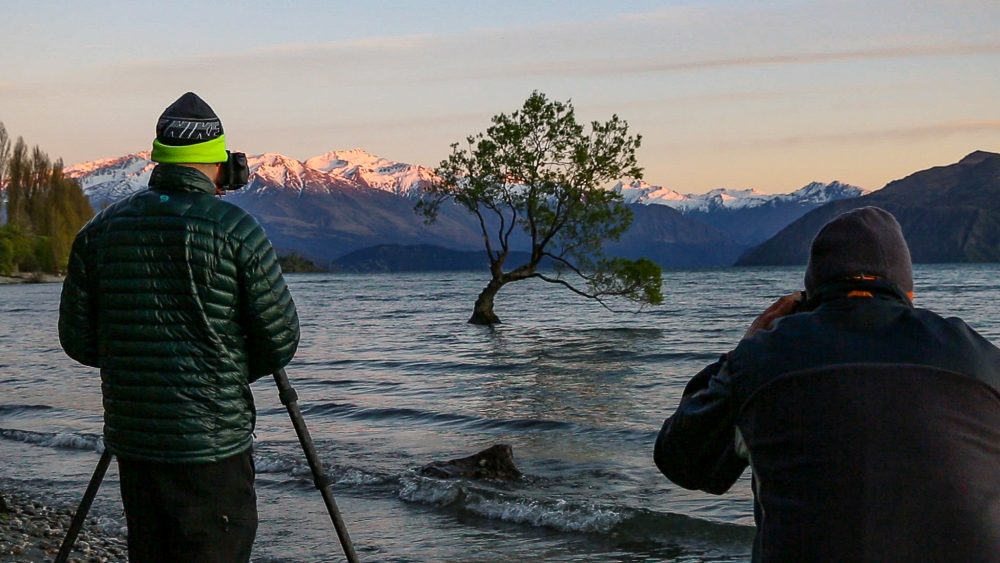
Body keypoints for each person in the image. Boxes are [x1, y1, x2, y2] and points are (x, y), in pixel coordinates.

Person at [653, 207, 1000, 562]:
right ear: (908, 295)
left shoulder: (762, 360)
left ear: (810, 296)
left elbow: (684, 464)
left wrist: (747, 344)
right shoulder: (983, 360)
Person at [59, 92, 299, 562]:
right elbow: (280, 340)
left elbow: (79, 341)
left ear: (159, 158)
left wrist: (144, 358)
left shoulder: (99, 230)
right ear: (218, 162)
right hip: (213, 446)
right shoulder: (237, 229)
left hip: (136, 440)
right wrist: (219, 365)